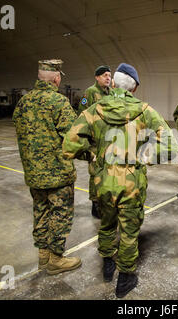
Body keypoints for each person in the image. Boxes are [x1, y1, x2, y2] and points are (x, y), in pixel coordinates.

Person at [63, 63, 178, 298]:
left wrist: (93, 154)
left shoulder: (94, 109)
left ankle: (107, 264)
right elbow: (170, 147)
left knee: (106, 223)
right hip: (131, 183)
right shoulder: (145, 110)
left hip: (103, 180)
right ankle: (125, 277)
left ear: (113, 83)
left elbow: (69, 145)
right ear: (133, 89)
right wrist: (144, 156)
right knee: (129, 229)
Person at [13, 59, 82, 275]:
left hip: (34, 175)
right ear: (57, 78)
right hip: (57, 174)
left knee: (40, 212)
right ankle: (56, 259)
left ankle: (43, 255)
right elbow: (74, 137)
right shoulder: (58, 102)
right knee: (60, 214)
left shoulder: (23, 103)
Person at [77, 65, 113, 219]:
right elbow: (82, 114)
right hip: (95, 142)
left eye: (109, 75)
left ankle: (105, 200)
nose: (108, 78)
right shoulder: (91, 92)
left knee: (107, 172)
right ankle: (95, 204)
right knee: (95, 172)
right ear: (97, 77)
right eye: (105, 75)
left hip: (109, 140)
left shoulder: (111, 93)